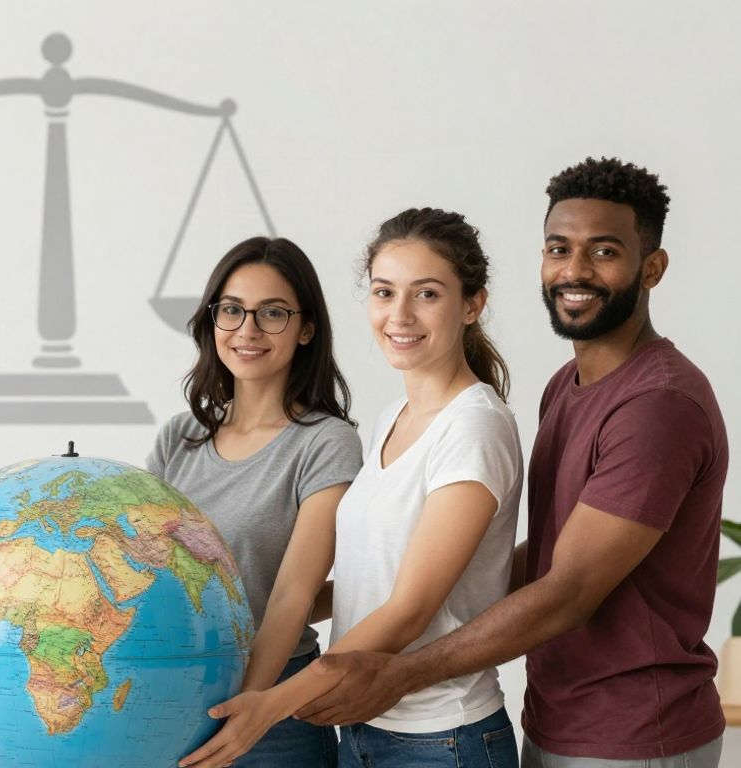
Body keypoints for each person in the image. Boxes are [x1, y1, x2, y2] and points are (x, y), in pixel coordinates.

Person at [293, 159, 728, 768]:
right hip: (558, 720)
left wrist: (399, 673)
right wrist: (326, 600)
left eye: (604, 251)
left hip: (635, 734)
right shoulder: (567, 386)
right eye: (559, 248)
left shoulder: (657, 405)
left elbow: (569, 591)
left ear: (651, 268)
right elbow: (550, 559)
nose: (574, 270)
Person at [182, 209, 522, 768]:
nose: (400, 315)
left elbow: (410, 609)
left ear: (473, 304)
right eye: (384, 293)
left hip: (443, 738)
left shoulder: (474, 425)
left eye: (427, 294)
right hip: (366, 729)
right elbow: (367, 580)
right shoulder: (393, 418)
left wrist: (271, 704)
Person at [148, 236, 362, 767]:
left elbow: (293, 593)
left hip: (272, 707)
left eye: (272, 313)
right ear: (211, 321)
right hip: (172, 693)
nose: (248, 330)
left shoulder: (325, 443)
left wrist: (246, 708)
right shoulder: (179, 437)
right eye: (232, 311)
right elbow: (149, 572)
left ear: (306, 328)